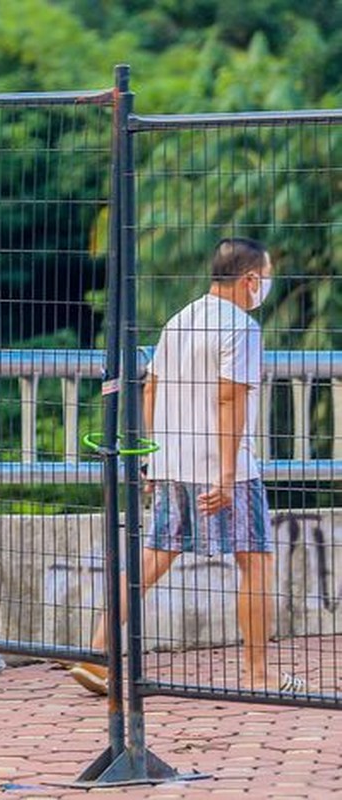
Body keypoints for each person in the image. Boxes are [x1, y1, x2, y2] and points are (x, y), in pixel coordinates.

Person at [69, 237, 305, 695]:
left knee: (153, 558)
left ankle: (97, 653)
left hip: (173, 461)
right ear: (251, 279)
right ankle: (258, 673)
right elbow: (229, 396)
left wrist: (155, 457)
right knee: (255, 560)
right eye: (266, 277)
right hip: (224, 464)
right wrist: (228, 472)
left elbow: (150, 388)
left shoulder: (180, 320)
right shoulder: (241, 327)